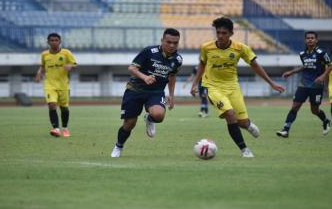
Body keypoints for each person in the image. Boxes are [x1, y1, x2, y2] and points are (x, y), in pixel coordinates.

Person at [190, 17, 285, 158]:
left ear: (231, 34)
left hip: (233, 87)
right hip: (213, 87)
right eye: (218, 32)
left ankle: (247, 125)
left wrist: (271, 83)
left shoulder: (241, 48)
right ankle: (244, 150)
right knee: (230, 114)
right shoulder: (206, 47)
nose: (221, 36)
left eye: (224, 33)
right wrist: (194, 84)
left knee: (241, 121)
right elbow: (202, 65)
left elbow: (255, 66)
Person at [111, 28, 182, 158]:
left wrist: (171, 95)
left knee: (159, 115)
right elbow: (132, 68)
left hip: (156, 92)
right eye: (169, 42)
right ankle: (118, 146)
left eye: (175, 43)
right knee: (129, 124)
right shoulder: (149, 51)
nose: (172, 45)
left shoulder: (178, 59)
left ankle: (149, 119)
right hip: (135, 90)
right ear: (162, 41)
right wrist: (145, 77)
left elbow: (172, 76)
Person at [276, 31, 332, 138]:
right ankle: (285, 130)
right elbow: (305, 66)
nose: (310, 39)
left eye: (312, 38)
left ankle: (325, 121)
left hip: (316, 85)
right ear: (305, 40)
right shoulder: (303, 54)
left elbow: (330, 66)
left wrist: (323, 76)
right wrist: (291, 72)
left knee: (314, 110)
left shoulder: (322, 53)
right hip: (304, 84)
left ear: (316, 40)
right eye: (308, 38)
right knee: (295, 106)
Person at [35, 33, 77, 137]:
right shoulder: (44, 54)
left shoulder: (66, 53)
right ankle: (56, 129)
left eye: (56, 40)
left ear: (60, 41)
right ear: (48, 42)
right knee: (52, 105)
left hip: (63, 85)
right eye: (52, 40)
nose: (54, 42)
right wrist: (39, 73)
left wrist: (70, 66)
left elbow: (75, 64)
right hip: (49, 84)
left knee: (64, 108)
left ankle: (65, 128)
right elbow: (42, 66)